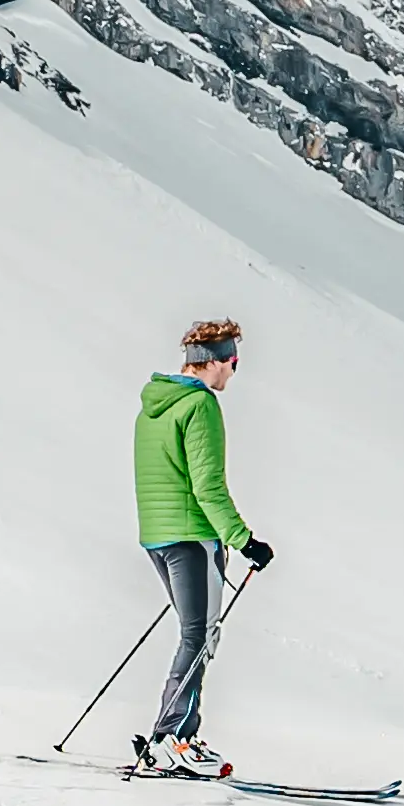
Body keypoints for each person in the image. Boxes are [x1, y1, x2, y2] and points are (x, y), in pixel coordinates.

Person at [127, 316, 273, 777]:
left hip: (158, 536)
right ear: (215, 361)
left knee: (193, 632)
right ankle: (175, 739)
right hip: (192, 537)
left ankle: (173, 736)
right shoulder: (200, 405)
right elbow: (207, 486)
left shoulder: (154, 406)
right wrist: (244, 541)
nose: (233, 372)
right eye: (234, 363)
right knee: (200, 635)